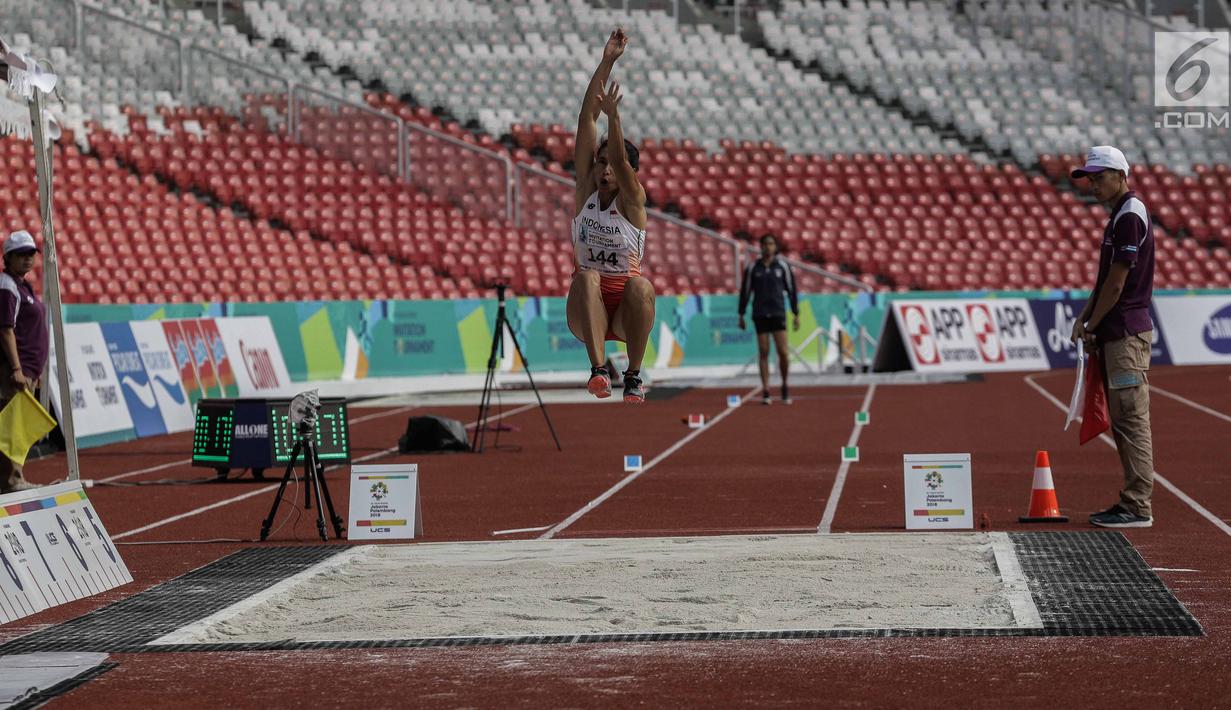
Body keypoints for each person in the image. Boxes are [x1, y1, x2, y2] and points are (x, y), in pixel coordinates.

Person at [1069, 146, 1156, 528]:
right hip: (1116, 330)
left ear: (1121, 175)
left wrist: (1092, 323)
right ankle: (1132, 501)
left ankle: (1138, 505)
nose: (1092, 185)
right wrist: (1086, 317)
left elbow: (1118, 282)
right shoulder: (1120, 215)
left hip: (1125, 334)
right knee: (1123, 419)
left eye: (1099, 177)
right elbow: (1106, 281)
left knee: (1132, 418)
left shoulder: (1130, 215)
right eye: (1089, 178)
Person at [567, 28, 654, 404]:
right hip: (588, 309)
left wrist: (614, 118)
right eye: (599, 164)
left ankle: (633, 375)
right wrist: (607, 61)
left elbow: (619, 158)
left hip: (625, 312)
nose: (605, 171)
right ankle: (599, 370)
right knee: (587, 276)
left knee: (642, 286)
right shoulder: (587, 191)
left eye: (611, 167)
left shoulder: (633, 201)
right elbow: (587, 118)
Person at [0, 230, 48, 493]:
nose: (28, 259)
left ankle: (13, 478)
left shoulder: (21, 284)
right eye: (22, 254)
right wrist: (17, 368)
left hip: (26, 369)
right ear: (8, 257)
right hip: (13, 371)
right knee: (12, 427)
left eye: (31, 253)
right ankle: (12, 479)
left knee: (16, 427)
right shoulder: (7, 285)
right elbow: (6, 329)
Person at [738, 235, 800, 405]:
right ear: (761, 247)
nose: (767, 247)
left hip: (778, 312)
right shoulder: (752, 268)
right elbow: (745, 292)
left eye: (771, 244)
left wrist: (796, 313)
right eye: (765, 244)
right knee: (763, 351)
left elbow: (792, 290)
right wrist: (741, 314)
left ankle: (785, 385)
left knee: (783, 352)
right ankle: (766, 389)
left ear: (775, 247)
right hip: (760, 313)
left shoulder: (783, 267)